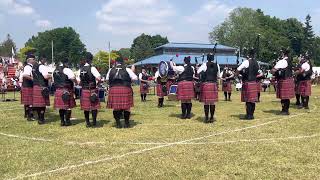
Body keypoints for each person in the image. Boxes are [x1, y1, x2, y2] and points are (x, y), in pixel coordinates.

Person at [106, 59, 137, 128]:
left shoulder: (110, 70)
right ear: (122, 63)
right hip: (125, 88)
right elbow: (135, 78)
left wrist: (112, 84)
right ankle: (126, 123)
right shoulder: (127, 69)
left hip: (113, 89)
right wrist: (129, 81)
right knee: (127, 108)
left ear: (116, 63)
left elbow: (107, 80)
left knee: (115, 108)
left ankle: (118, 124)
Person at [79, 52, 101, 128]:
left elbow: (79, 82)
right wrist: (98, 82)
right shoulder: (92, 68)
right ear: (91, 59)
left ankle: (87, 122)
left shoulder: (81, 69)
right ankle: (94, 122)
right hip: (92, 90)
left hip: (84, 90)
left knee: (86, 108)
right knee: (94, 106)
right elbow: (98, 78)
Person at [236, 49, 259, 120]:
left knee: (248, 100)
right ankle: (252, 114)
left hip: (247, 82)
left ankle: (248, 115)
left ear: (248, 55)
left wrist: (239, 75)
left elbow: (238, 69)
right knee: (253, 100)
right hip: (254, 82)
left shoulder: (246, 62)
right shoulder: (256, 62)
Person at [53, 59, 77, 126]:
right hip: (66, 90)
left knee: (61, 107)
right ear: (65, 63)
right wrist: (76, 82)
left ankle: (62, 121)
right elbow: (72, 78)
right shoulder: (66, 69)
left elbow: (53, 80)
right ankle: (67, 121)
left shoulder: (55, 70)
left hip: (58, 90)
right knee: (68, 106)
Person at [271, 50, 295, 115]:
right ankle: (286, 110)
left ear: (283, 54)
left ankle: (284, 110)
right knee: (286, 97)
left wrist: (273, 71)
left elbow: (274, 70)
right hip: (289, 79)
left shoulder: (283, 61)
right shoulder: (289, 60)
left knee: (283, 97)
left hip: (284, 80)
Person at [197, 54, 220, 123]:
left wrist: (203, 73)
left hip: (206, 84)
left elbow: (198, 72)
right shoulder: (217, 65)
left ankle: (206, 118)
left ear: (207, 58)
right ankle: (212, 118)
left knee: (206, 103)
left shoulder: (204, 64)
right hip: (213, 84)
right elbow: (218, 75)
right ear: (213, 58)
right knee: (212, 102)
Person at [32, 56, 51, 124]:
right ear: (42, 59)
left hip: (36, 86)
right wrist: (51, 75)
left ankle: (39, 118)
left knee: (37, 104)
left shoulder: (34, 66)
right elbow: (45, 76)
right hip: (42, 86)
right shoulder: (42, 66)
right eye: (45, 59)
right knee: (43, 104)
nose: (45, 61)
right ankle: (41, 119)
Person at [21, 54, 35, 121]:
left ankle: (26, 114)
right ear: (29, 60)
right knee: (30, 102)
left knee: (27, 102)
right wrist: (33, 79)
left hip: (26, 85)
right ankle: (30, 116)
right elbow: (25, 75)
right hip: (28, 86)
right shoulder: (28, 67)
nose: (34, 60)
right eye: (33, 59)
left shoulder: (29, 66)